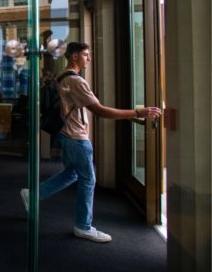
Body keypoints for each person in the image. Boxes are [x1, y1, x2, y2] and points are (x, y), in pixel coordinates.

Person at [20, 42, 162, 242]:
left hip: (66, 134)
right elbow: (100, 110)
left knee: (72, 174)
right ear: (75, 56)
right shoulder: (76, 81)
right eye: (86, 55)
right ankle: (83, 226)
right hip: (76, 137)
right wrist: (138, 112)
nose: (89, 59)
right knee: (88, 180)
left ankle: (34, 195)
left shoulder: (62, 76)